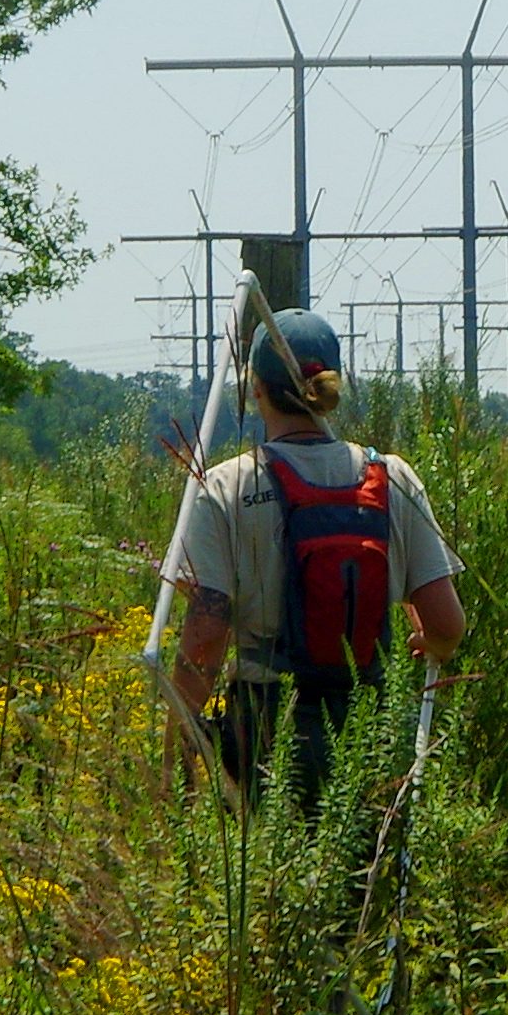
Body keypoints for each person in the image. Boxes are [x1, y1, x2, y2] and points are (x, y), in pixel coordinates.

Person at [161, 308, 465, 810]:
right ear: (331, 384)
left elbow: (207, 635)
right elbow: (447, 625)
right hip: (370, 721)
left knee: (271, 875)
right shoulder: (392, 477)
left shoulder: (226, 486)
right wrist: (425, 640)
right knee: (365, 877)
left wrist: (181, 747)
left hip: (268, 727)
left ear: (255, 389)